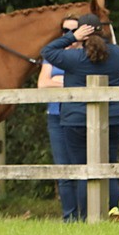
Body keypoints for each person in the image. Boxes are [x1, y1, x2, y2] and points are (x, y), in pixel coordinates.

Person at [41, 12, 119, 220]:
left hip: (77, 120)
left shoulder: (74, 58)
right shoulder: (117, 53)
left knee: (82, 172)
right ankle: (113, 215)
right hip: (111, 117)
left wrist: (72, 37)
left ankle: (87, 218)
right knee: (108, 167)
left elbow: (47, 51)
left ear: (82, 33)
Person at [37, 15, 81, 222]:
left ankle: (86, 216)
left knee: (81, 168)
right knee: (63, 170)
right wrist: (68, 82)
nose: (70, 35)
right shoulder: (53, 55)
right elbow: (42, 84)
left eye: (74, 30)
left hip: (80, 117)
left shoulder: (86, 54)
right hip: (55, 115)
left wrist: (58, 79)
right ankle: (69, 217)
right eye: (65, 31)